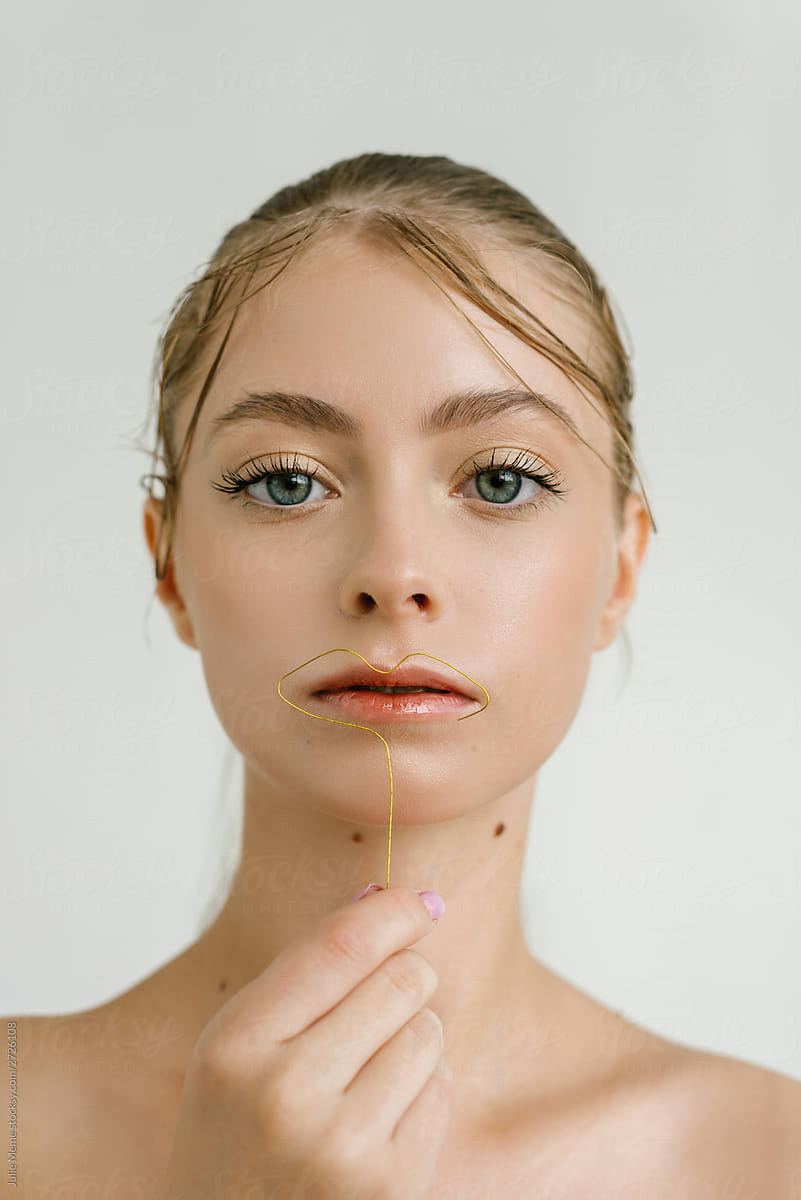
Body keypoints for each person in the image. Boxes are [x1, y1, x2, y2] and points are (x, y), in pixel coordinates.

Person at [14, 152, 801, 1197]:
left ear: (621, 566)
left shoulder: (765, 1161)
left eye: (500, 479)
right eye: (287, 482)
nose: (393, 575)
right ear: (169, 563)